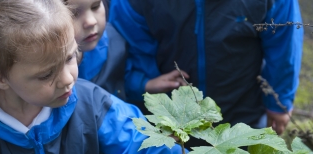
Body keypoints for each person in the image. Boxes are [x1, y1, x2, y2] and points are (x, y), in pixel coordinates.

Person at [0, 0, 227, 154]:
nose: (68, 79)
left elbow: (136, 144)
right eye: (47, 74)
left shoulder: (89, 101)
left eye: (70, 57)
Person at [109, 0, 304, 138]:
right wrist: (142, 82)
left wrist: (279, 101)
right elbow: (131, 41)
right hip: (174, 110)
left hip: (244, 104)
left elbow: (284, 44)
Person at [65, 0, 163, 154]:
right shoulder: (47, 72)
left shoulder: (114, 40)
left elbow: (123, 77)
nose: (90, 21)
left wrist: (145, 84)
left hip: (124, 151)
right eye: (73, 12)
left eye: (95, 5)